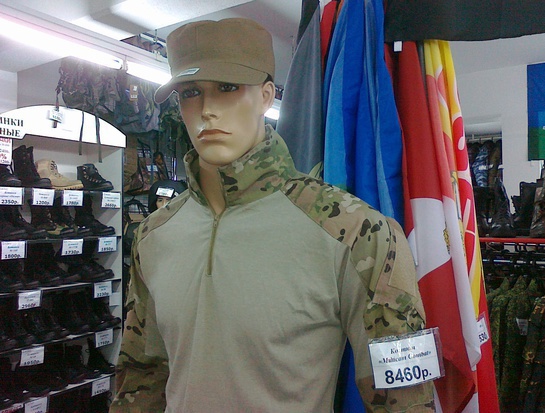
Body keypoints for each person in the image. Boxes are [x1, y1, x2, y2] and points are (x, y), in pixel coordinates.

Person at [111, 18, 434, 412]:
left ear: (266, 96)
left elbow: (405, 399)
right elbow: (141, 376)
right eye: (191, 93)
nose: (207, 110)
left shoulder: (354, 231)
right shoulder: (154, 235)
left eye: (227, 88)